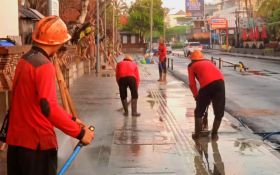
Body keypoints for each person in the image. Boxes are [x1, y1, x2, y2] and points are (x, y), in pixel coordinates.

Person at [6, 16, 94, 175]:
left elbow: (37, 103)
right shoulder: (45, 66)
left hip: (16, 146)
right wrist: (80, 133)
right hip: (37, 148)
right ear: (56, 43)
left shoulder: (24, 61)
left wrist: (72, 120)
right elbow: (49, 108)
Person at [187, 51, 225, 140]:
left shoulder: (191, 66)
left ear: (192, 60)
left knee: (199, 111)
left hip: (206, 86)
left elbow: (192, 84)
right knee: (219, 111)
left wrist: (196, 96)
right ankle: (214, 134)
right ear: (202, 57)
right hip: (220, 83)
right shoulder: (209, 62)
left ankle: (197, 135)